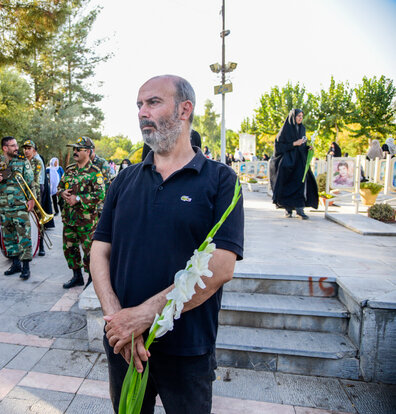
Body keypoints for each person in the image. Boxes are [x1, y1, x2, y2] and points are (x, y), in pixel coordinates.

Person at [90, 75, 244, 414]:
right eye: (139, 105)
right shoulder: (124, 179)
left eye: (153, 102)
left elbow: (221, 266)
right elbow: (99, 250)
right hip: (124, 344)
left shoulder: (220, 180)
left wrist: (145, 315)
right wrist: (117, 319)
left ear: (185, 109)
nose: (143, 112)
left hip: (187, 350)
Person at [58, 136, 105, 289]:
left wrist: (78, 198)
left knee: (90, 252)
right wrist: (62, 193)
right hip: (69, 219)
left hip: (86, 222)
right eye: (74, 149)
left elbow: (100, 195)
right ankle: (77, 276)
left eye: (79, 149)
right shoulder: (70, 169)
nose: (75, 151)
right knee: (70, 249)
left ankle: (92, 280)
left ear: (88, 151)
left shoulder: (95, 172)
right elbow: (60, 187)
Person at [0, 136, 35, 280]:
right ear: (5, 148)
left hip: (19, 206)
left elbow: (30, 182)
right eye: (13, 146)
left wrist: (31, 200)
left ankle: (26, 267)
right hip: (3, 206)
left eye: (16, 145)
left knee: (24, 236)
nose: (17, 148)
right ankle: (16, 264)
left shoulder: (23, 161)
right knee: (9, 236)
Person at [269, 109, 318, 219]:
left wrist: (307, 147)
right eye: (298, 116)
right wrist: (294, 143)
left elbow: (301, 145)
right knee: (288, 185)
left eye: (302, 116)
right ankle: (288, 209)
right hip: (287, 163)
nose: (300, 118)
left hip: (299, 161)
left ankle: (300, 210)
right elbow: (278, 147)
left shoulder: (302, 128)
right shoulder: (285, 130)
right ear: (293, 117)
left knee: (300, 184)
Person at [22, 139, 50, 256]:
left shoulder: (37, 162)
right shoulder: (21, 161)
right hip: (23, 193)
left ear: (33, 150)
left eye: (29, 149)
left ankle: (41, 245)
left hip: (35, 192)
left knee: (38, 218)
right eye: (25, 148)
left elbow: (35, 179)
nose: (26, 151)